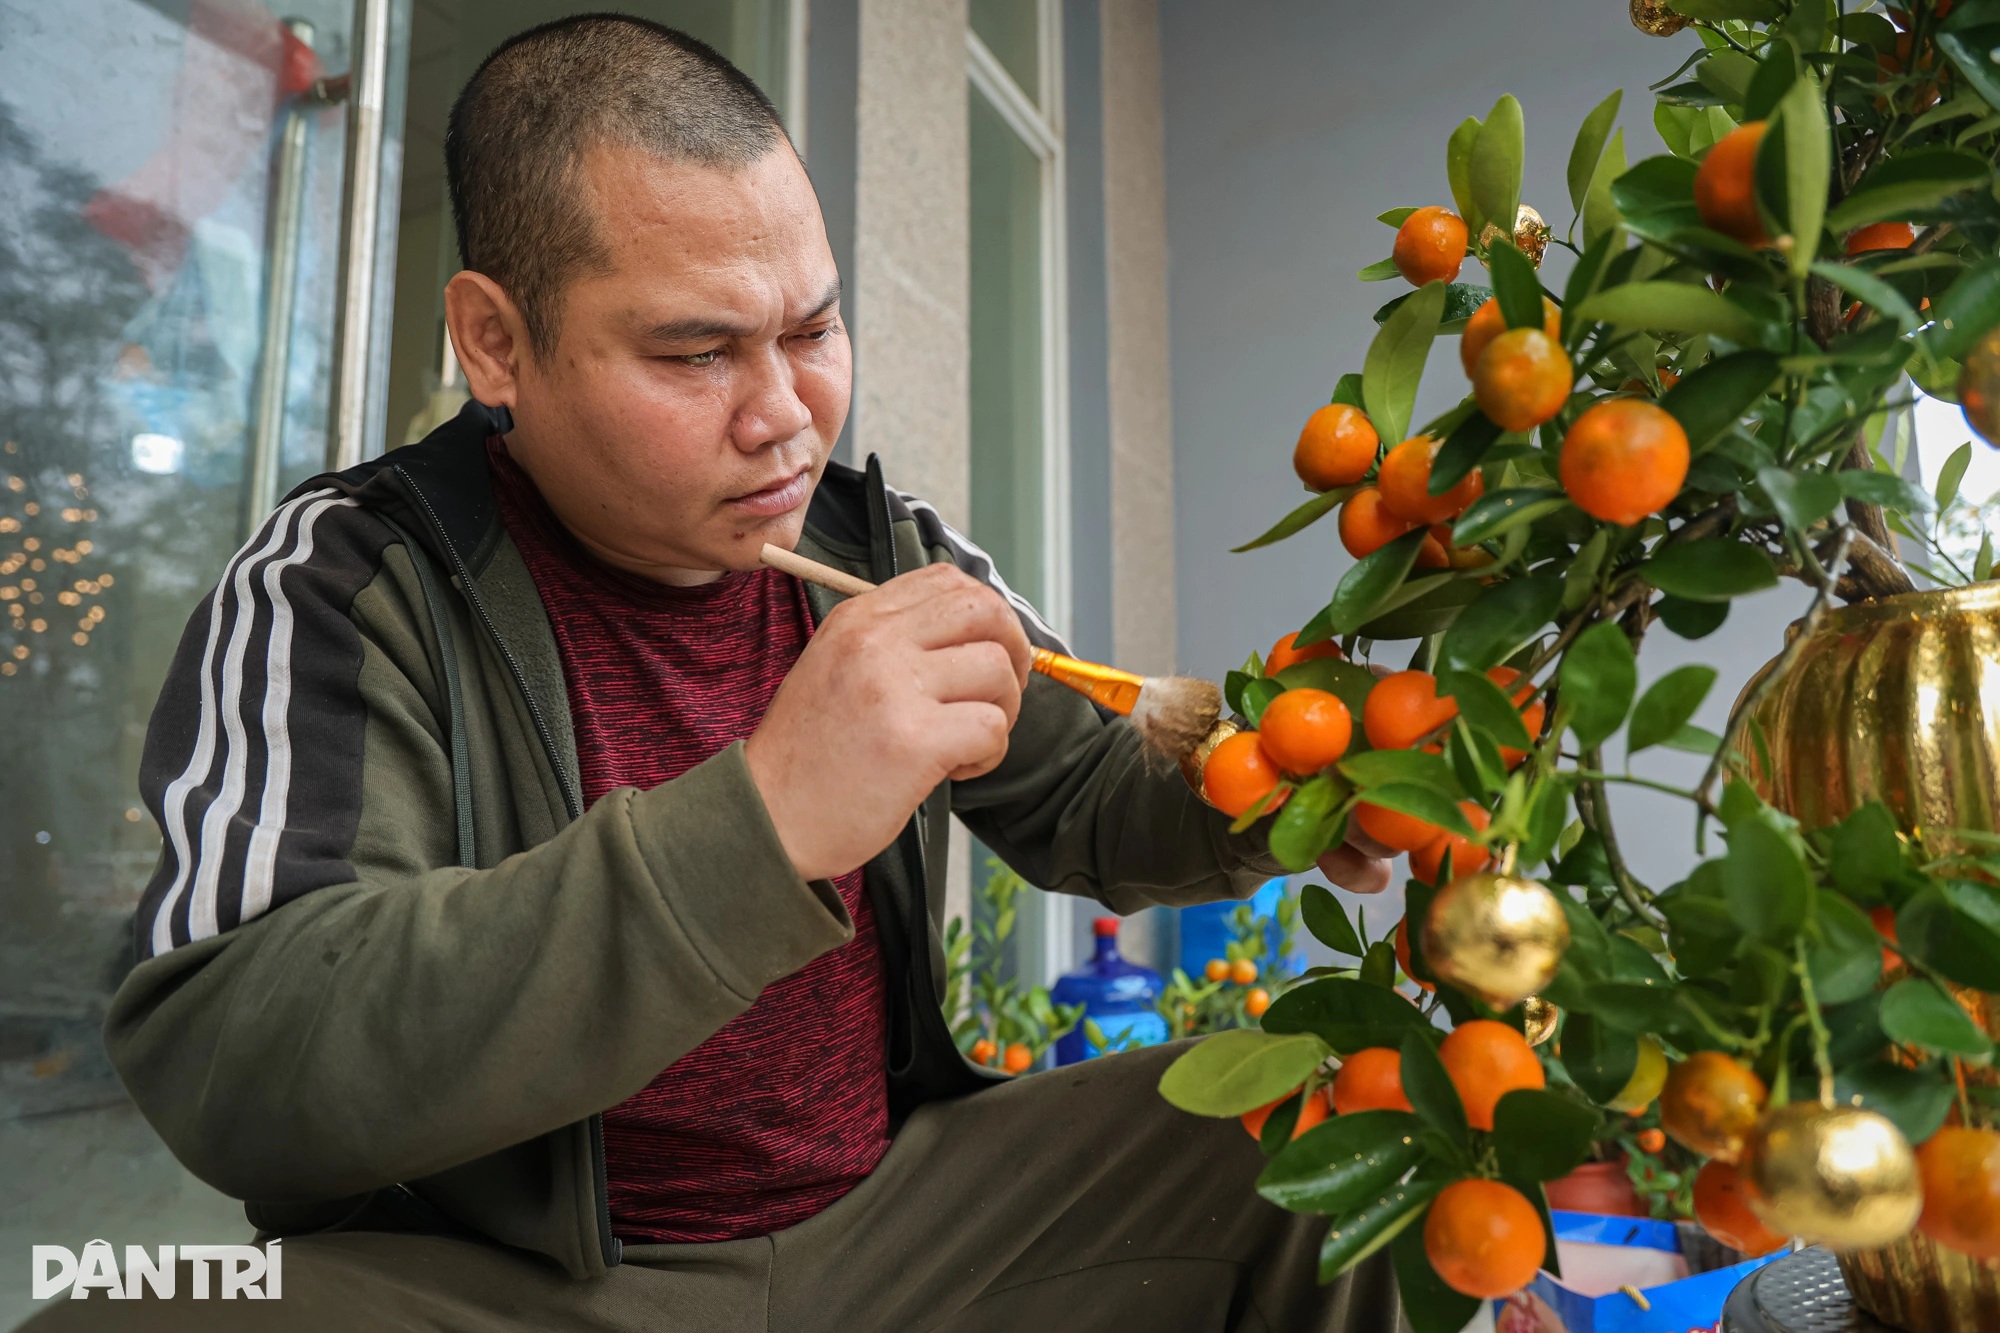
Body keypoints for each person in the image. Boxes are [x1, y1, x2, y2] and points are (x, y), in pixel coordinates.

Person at [25, 16, 1398, 1332]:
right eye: (697, 351)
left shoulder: (886, 550)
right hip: (499, 1284)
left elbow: (1102, 791)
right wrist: (764, 820)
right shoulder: (350, 582)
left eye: (812, 330)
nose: (787, 416)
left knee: (1331, 1131)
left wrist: (1326, 765)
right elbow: (239, 1049)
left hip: (905, 1229)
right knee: (127, 1314)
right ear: (495, 343)